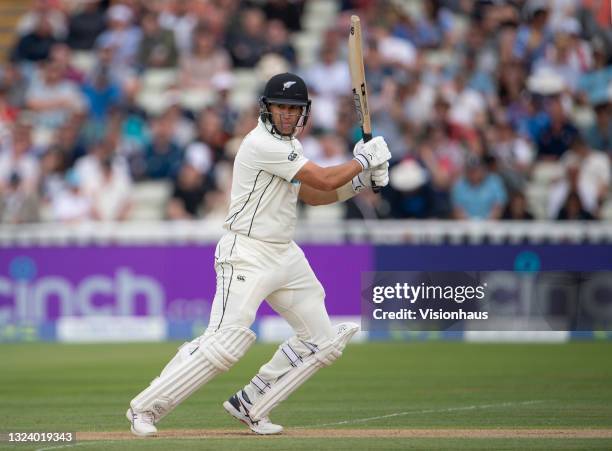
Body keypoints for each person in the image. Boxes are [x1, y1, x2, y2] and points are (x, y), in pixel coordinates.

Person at [126, 73, 391, 436]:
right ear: (266, 109)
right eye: (281, 107)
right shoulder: (262, 143)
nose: (287, 115)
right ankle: (145, 409)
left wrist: (360, 182)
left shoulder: (291, 148)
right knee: (225, 343)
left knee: (322, 341)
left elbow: (315, 194)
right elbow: (327, 179)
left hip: (284, 253)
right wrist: (362, 162)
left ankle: (252, 403)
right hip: (246, 252)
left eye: (294, 109)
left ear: (304, 113)